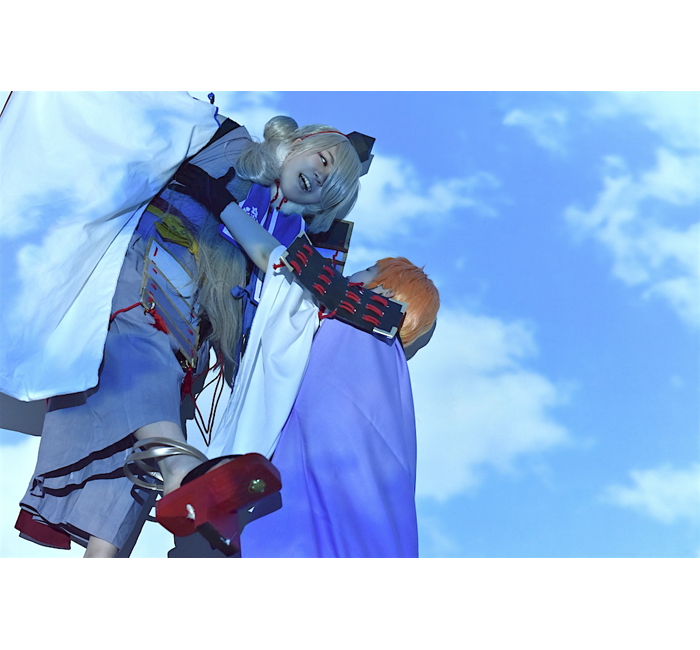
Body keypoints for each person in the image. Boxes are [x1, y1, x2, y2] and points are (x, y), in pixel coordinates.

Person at [9, 92, 367, 558]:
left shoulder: (287, 237)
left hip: (192, 329)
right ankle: (182, 471)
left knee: (152, 419)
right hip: (144, 271)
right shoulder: (229, 142)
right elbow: (150, 128)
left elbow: (272, 305)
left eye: (327, 188)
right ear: (301, 141)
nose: (319, 177)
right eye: (323, 161)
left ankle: (107, 555)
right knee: (140, 355)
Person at [164, 165, 440, 557]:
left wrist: (221, 201)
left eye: (365, 271)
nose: (352, 274)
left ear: (384, 291)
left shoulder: (372, 315)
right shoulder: (392, 385)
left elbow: (281, 260)